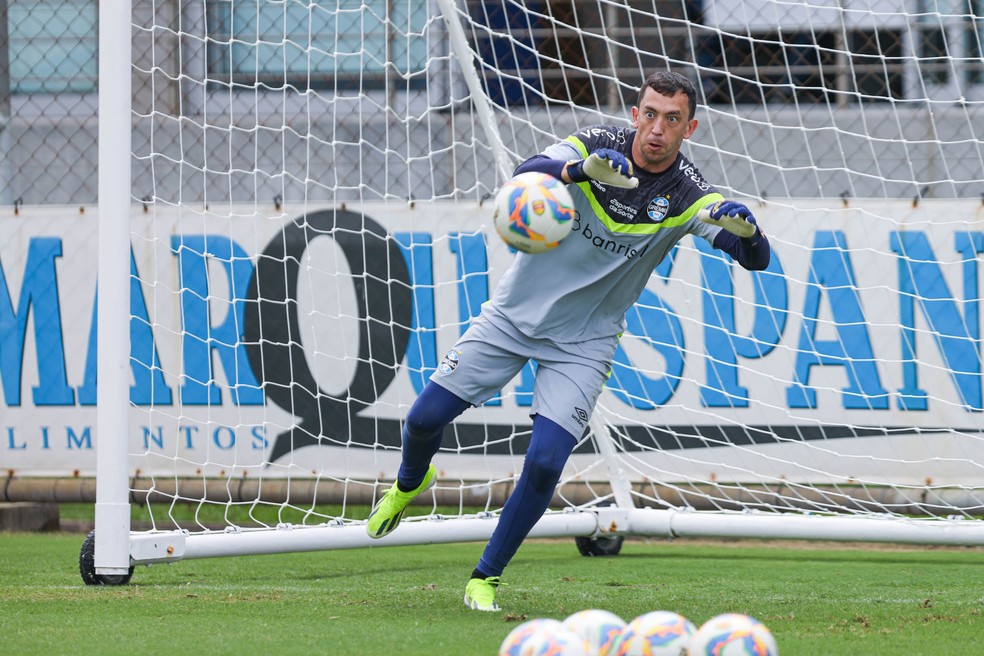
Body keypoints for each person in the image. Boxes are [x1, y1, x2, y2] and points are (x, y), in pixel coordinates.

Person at [366, 71, 771, 611]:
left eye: (671, 120)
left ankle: (485, 577)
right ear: (635, 114)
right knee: (422, 420)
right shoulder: (598, 145)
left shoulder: (688, 193)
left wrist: (750, 232)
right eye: (650, 114)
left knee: (545, 462)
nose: (657, 129)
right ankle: (410, 483)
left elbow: (751, 254)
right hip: (512, 318)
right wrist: (578, 171)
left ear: (689, 128)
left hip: (584, 343)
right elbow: (523, 173)